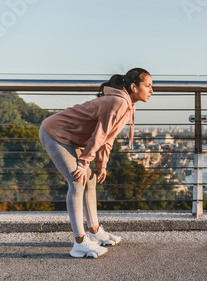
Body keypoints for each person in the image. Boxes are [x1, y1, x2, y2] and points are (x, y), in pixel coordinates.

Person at [39, 68, 153, 258]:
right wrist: (83, 163)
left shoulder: (127, 104)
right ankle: (79, 242)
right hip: (55, 133)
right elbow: (99, 135)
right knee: (77, 181)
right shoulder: (118, 102)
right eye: (148, 86)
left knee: (90, 180)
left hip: (73, 139)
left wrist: (101, 165)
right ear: (134, 87)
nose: (152, 91)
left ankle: (94, 230)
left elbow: (108, 138)